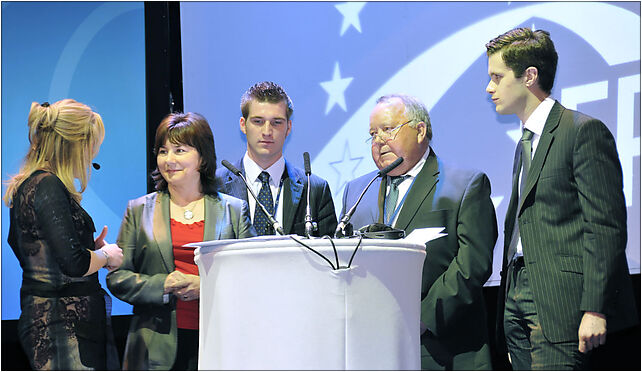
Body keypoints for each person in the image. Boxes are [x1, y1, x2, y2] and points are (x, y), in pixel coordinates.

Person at [485, 27, 638, 370]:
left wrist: (595, 307)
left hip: (560, 300)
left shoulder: (581, 130)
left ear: (529, 76)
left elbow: (605, 226)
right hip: (516, 295)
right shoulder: (525, 142)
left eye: (497, 77)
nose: (489, 87)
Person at [341, 94, 498, 369]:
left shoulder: (464, 185)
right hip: (372, 347)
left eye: (388, 129)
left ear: (420, 130)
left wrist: (419, 318)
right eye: (372, 134)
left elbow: (473, 264)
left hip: (442, 347)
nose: (378, 140)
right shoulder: (356, 192)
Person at [106, 112, 256, 370]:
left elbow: (253, 277)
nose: (169, 160)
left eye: (180, 150)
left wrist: (205, 285)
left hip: (219, 342)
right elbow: (118, 277)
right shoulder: (139, 210)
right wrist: (163, 284)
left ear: (202, 157)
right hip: (154, 345)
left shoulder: (234, 210)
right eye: (163, 151)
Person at [4, 99, 124, 370]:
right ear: (75, 145)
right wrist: (105, 255)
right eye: (92, 144)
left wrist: (86, 247)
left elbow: (40, 251)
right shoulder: (48, 186)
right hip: (63, 328)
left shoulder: (30, 184)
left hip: (50, 322)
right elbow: (74, 263)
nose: (93, 153)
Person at [216, 81, 337, 237]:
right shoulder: (216, 184)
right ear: (243, 125)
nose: (267, 131)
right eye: (258, 121)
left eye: (276, 123)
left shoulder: (314, 189)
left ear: (288, 128)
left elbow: (330, 256)